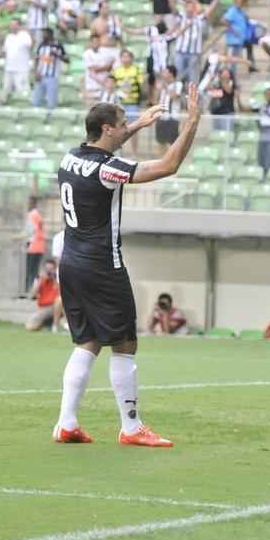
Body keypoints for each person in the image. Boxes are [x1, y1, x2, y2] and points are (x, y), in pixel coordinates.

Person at [51, 84, 202, 448]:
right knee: (124, 342)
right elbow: (168, 166)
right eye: (122, 124)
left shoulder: (70, 157)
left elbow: (105, 148)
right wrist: (192, 122)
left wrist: (137, 125)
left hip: (71, 262)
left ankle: (66, 423)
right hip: (102, 265)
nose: (126, 127)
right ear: (106, 129)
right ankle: (131, 427)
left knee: (87, 341)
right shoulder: (107, 170)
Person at [26, 258, 61, 332]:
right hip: (44, 309)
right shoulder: (40, 279)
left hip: (57, 307)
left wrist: (55, 279)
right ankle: (47, 325)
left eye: (51, 269)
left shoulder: (59, 279)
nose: (49, 271)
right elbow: (31, 296)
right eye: (47, 269)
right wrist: (40, 281)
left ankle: (55, 326)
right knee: (30, 327)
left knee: (59, 300)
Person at [24, 195, 46, 289]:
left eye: (28, 202)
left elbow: (29, 231)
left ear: (32, 203)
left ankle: (29, 290)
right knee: (35, 270)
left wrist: (15, 237)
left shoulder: (32, 215)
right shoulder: (37, 215)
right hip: (40, 246)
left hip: (33, 246)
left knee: (30, 271)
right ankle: (35, 291)